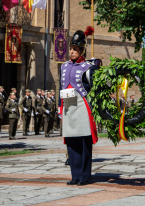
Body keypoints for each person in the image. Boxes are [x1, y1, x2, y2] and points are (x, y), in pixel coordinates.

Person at [58, 27, 98, 186]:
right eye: (71, 48)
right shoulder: (64, 66)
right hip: (68, 107)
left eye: (75, 49)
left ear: (82, 50)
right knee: (71, 143)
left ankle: (85, 176)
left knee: (83, 143)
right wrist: (60, 108)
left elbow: (94, 90)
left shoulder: (89, 67)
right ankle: (75, 175)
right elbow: (60, 88)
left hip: (82, 107)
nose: (72, 51)